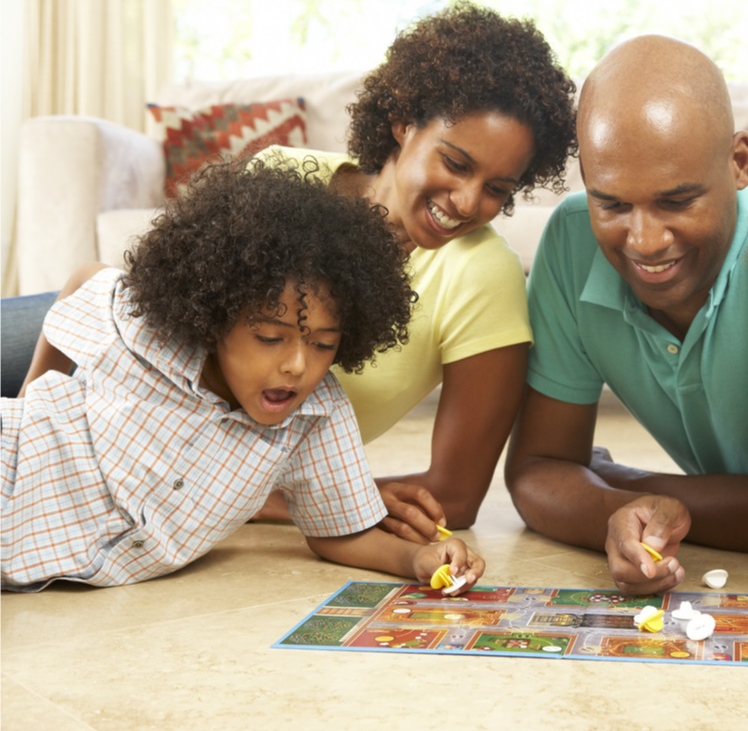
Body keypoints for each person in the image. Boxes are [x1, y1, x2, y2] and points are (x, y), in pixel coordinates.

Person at [1, 160, 485, 591]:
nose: (297, 365)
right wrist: (28, 398)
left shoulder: (317, 417)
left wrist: (416, 558)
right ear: (215, 318)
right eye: (270, 339)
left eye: (322, 344)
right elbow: (87, 280)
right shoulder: (148, 330)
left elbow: (341, 532)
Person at [503, 35, 748, 597]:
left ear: (740, 163)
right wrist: (616, 513)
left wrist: (616, 479)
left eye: (677, 200)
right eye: (611, 203)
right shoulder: (570, 241)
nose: (643, 241)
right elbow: (535, 472)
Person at [246, 2, 577, 542]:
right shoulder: (280, 176)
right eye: (456, 163)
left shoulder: (482, 274)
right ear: (403, 123)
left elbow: (455, 496)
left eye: (498, 189)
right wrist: (337, 497)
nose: (469, 202)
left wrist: (289, 498)